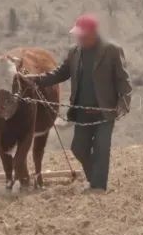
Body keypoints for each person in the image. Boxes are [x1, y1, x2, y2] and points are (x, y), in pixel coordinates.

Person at [25, 14, 131, 191]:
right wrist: (36, 80)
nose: (78, 37)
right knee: (78, 148)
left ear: (92, 34)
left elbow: (124, 81)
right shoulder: (74, 52)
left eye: (81, 34)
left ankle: (98, 187)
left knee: (101, 149)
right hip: (81, 112)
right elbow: (60, 74)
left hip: (105, 111)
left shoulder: (112, 50)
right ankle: (95, 179)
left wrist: (123, 104)